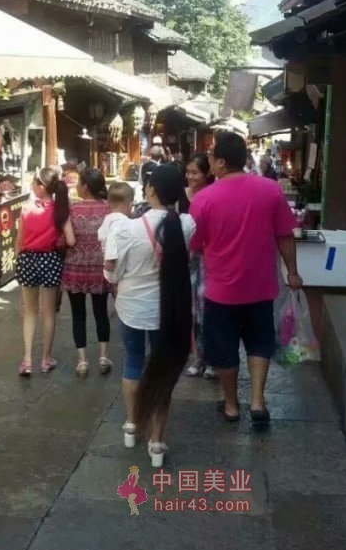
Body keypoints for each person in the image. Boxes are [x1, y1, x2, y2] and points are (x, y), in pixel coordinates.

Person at [190, 130, 302, 424]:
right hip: (261, 288)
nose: (209, 160)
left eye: (212, 155)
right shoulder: (270, 190)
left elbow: (195, 244)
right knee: (259, 342)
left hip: (221, 291)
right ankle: (257, 402)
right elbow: (285, 235)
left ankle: (231, 406)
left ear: (221, 162)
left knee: (223, 349)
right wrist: (292, 271)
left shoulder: (204, 199)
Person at [105, 165, 195, 467]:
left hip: (132, 308)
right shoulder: (186, 225)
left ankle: (132, 425)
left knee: (133, 362)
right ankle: (156, 442)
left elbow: (114, 273)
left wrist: (112, 274)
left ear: (152, 189)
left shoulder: (127, 229)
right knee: (162, 372)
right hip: (168, 312)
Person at [16, 167, 75, 377]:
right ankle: (45, 360)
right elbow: (71, 240)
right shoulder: (60, 211)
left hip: (27, 260)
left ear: (41, 187)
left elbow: (19, 242)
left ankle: (27, 360)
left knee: (30, 311)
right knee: (49, 313)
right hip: (50, 261)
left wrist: (19, 261)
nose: (31, 185)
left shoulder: (26, 209)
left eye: (33, 182)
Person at [61, 168, 111, 378]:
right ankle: (103, 357)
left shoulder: (71, 209)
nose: (76, 186)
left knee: (78, 316)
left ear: (86, 186)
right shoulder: (108, 209)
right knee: (101, 313)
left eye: (79, 182)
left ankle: (82, 361)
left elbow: (69, 240)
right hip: (100, 269)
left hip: (75, 269)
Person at [182, 154, 217, 379]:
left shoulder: (213, 195)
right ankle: (199, 355)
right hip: (188, 257)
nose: (190, 176)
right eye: (188, 172)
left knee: (208, 308)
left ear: (207, 174)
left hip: (208, 258)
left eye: (195, 172)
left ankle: (213, 358)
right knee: (193, 309)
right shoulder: (182, 194)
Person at [98, 181, 134, 270]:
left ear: (108, 203)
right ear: (130, 205)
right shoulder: (120, 219)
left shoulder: (108, 218)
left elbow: (102, 235)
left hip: (108, 260)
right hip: (115, 263)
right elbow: (112, 237)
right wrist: (110, 259)